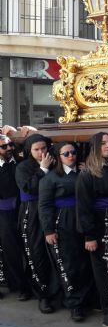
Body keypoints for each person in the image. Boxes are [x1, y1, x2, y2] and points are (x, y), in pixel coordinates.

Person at [76, 132, 108, 327]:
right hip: (100, 224)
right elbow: (84, 206)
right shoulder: (87, 174)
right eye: (103, 143)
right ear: (95, 147)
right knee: (104, 267)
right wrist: (89, 235)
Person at [39, 142, 93, 322]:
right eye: (66, 153)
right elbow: (44, 206)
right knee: (69, 265)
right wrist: (49, 230)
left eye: (73, 152)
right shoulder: (50, 178)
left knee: (84, 263)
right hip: (63, 224)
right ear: (58, 157)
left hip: (83, 221)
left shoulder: (83, 173)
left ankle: (85, 299)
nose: (71, 156)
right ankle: (74, 304)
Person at [14, 133, 59, 312]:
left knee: (55, 252)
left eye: (44, 148)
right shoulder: (23, 167)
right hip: (31, 212)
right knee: (36, 254)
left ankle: (58, 291)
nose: (41, 152)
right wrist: (43, 170)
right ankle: (42, 295)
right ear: (29, 151)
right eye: (36, 149)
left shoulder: (55, 162)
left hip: (51, 210)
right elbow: (30, 188)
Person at [0, 133, 31, 301]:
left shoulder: (19, 163)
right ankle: (18, 285)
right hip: (3, 213)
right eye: (4, 146)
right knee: (9, 250)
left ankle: (26, 285)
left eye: (10, 144)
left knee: (23, 249)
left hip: (21, 210)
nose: (9, 148)